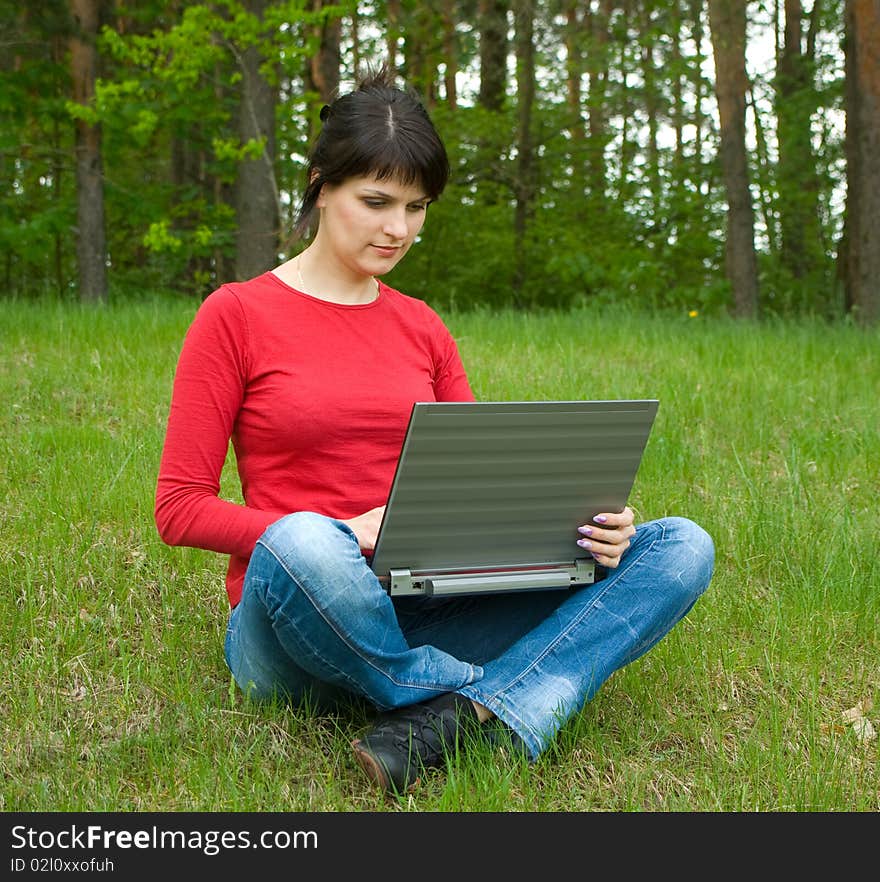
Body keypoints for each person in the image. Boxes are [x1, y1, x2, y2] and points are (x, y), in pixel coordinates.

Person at [154, 68, 715, 796]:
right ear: (322, 185)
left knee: (678, 546)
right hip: (297, 621)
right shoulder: (233, 316)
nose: (400, 229)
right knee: (302, 540)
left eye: (417, 208)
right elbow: (180, 509)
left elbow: (478, 487)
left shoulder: (422, 326)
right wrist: (344, 532)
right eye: (377, 202)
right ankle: (490, 696)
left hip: (427, 602)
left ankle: (455, 712)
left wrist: (592, 530)